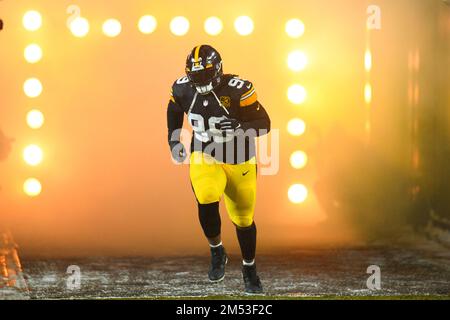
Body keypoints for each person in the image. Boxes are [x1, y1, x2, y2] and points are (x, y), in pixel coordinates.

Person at [166, 45, 271, 294]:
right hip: (205, 154)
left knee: (243, 219)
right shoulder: (181, 88)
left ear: (218, 70)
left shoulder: (239, 89)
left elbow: (264, 124)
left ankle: (249, 269)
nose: (201, 81)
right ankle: (217, 250)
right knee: (206, 197)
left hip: (240, 157)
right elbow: (173, 110)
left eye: (206, 75)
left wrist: (238, 125)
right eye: (197, 76)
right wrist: (173, 140)